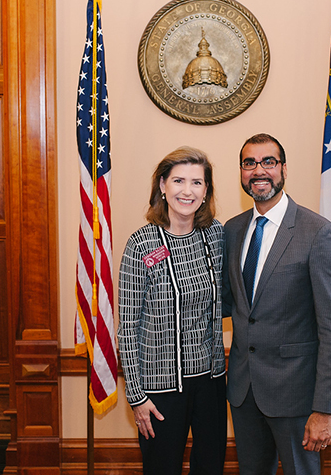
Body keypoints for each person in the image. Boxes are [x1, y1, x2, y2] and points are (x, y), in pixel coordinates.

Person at [222, 133, 331, 475]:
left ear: (284, 170)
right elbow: (229, 305)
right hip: (244, 391)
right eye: (250, 163)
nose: (259, 170)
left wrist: (325, 409)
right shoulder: (232, 231)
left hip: (297, 396)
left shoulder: (318, 233)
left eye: (268, 162)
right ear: (241, 172)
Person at [117, 147, 227, 475]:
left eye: (197, 182)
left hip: (210, 382)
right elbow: (127, 326)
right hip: (159, 391)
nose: (187, 190)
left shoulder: (216, 236)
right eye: (178, 180)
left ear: (206, 191)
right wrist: (136, 397)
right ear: (162, 186)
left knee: (210, 467)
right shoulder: (141, 244)